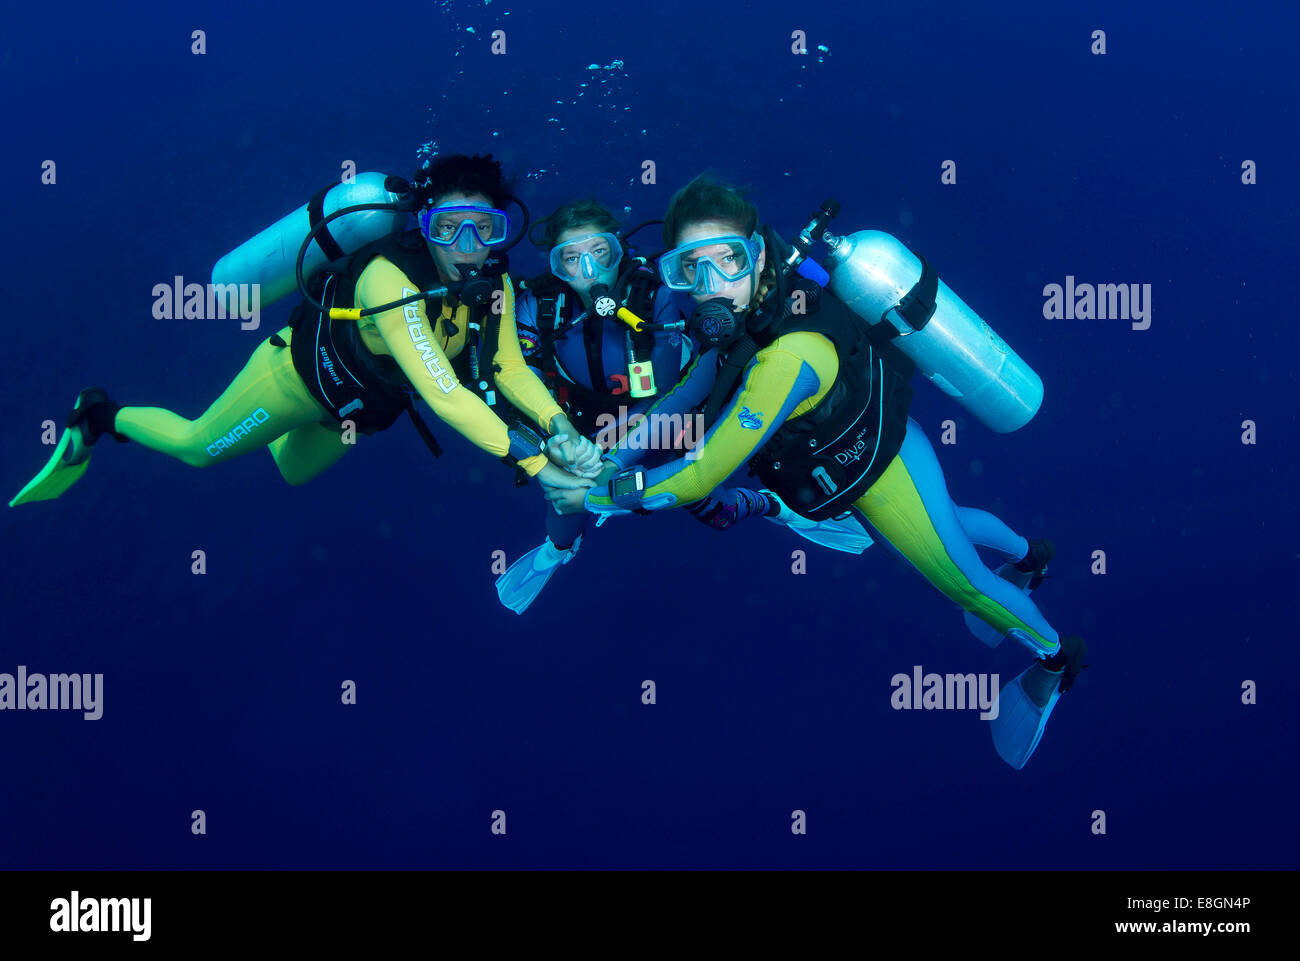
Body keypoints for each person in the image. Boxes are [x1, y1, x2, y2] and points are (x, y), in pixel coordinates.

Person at [552, 175, 1088, 768]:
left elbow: (702, 473)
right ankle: (1031, 558)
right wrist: (611, 455)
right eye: (688, 269)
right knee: (952, 520)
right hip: (865, 457)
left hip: (877, 472)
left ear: (759, 255)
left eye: (727, 261)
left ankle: (1056, 659)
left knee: (958, 581)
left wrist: (603, 494)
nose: (709, 287)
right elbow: (680, 399)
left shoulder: (789, 353)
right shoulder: (748, 321)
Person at [9, 154, 595, 505]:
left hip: (353, 412)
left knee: (290, 473)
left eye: (483, 229)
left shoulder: (498, 285)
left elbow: (508, 368)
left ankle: (252, 426)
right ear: (423, 225)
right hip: (292, 381)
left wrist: (560, 426)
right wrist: (537, 465)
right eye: (449, 228)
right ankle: (97, 416)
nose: (467, 249)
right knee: (195, 449)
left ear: (501, 232)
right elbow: (445, 393)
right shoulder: (387, 281)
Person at [494, 199, 873, 613]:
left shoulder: (652, 292)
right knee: (562, 488)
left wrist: (622, 440)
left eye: (599, 252)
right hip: (574, 422)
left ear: (618, 249)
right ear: (557, 267)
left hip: (661, 413)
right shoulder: (538, 306)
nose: (589, 272)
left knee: (709, 505)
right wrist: (556, 441)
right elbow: (520, 377)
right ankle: (557, 548)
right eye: (571, 259)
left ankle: (772, 505)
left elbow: (677, 385)